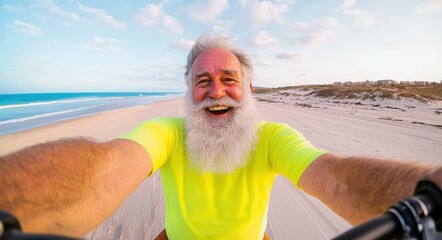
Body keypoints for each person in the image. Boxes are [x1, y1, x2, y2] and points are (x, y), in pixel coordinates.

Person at [0, 33, 441, 240]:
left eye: (229, 79)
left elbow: (336, 177)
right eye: (202, 80)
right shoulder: (167, 133)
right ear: (189, 92)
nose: (216, 91)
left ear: (248, 89)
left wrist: (427, 193)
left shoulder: (272, 137)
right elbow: (108, 166)